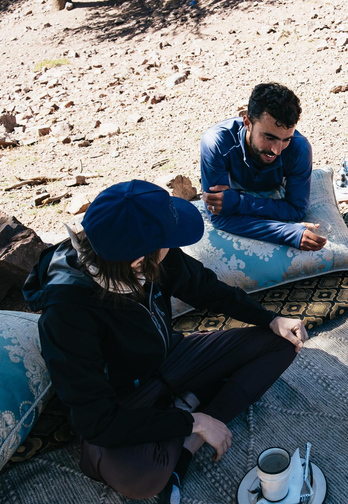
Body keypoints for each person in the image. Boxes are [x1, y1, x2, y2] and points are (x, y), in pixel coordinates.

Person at [23, 180, 308, 504]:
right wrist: (192, 421)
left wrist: (270, 318)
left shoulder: (149, 254)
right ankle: (192, 412)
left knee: (282, 343)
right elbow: (96, 422)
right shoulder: (66, 313)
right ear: (137, 262)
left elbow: (206, 288)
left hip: (169, 355)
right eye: (166, 243)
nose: (171, 248)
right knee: (142, 478)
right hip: (124, 398)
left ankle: (188, 437)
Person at [200, 82, 326, 251]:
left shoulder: (299, 149)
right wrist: (286, 232)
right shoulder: (217, 143)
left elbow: (296, 210)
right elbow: (218, 217)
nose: (277, 150)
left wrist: (238, 202)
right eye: (269, 137)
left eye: (286, 139)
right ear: (247, 122)